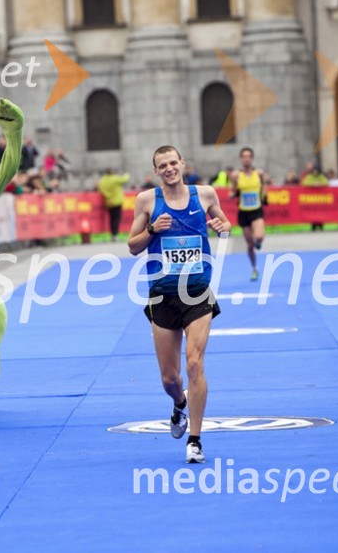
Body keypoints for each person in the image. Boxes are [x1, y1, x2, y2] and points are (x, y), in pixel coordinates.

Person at [128, 145, 230, 464]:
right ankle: (179, 403)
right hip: (162, 295)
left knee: (195, 363)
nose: (170, 168)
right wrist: (151, 229)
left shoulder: (207, 194)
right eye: (163, 165)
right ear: (156, 171)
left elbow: (225, 224)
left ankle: (195, 440)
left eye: (174, 162)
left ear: (183, 164)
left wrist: (222, 227)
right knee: (170, 379)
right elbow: (132, 246)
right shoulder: (147, 201)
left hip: (198, 291)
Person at [230, 147, 266, 281]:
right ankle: (254, 268)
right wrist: (232, 195)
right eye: (244, 156)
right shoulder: (235, 175)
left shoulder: (259, 173)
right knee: (250, 244)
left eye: (248, 156)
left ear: (252, 158)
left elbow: (264, 186)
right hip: (244, 212)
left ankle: (259, 242)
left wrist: (265, 196)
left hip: (256, 209)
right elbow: (232, 190)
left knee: (259, 237)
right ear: (241, 159)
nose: (246, 159)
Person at [97, 169, 130, 242]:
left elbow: (101, 189)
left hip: (108, 202)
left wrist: (108, 196)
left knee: (111, 219)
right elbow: (124, 179)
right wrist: (126, 174)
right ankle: (115, 235)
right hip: (117, 202)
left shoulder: (102, 181)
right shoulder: (115, 179)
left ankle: (112, 234)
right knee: (116, 219)